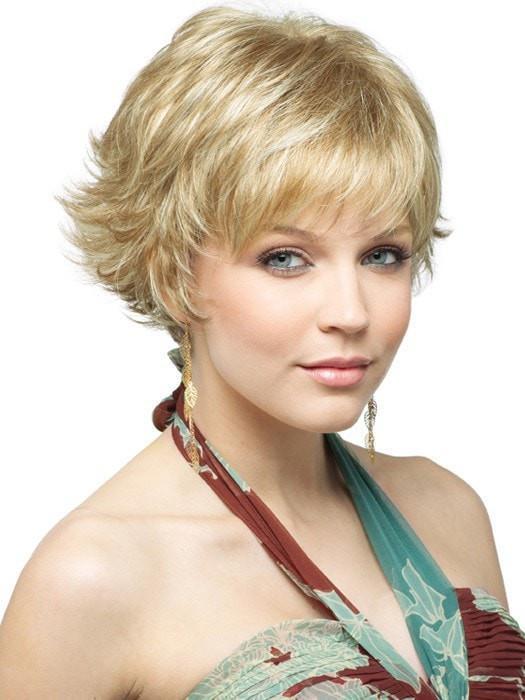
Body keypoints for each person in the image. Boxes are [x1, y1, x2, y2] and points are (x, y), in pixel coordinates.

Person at [1, 5, 524, 699]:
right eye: (285, 258)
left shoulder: (448, 508)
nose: (350, 313)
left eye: (381, 254)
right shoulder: (97, 577)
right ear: (173, 273)